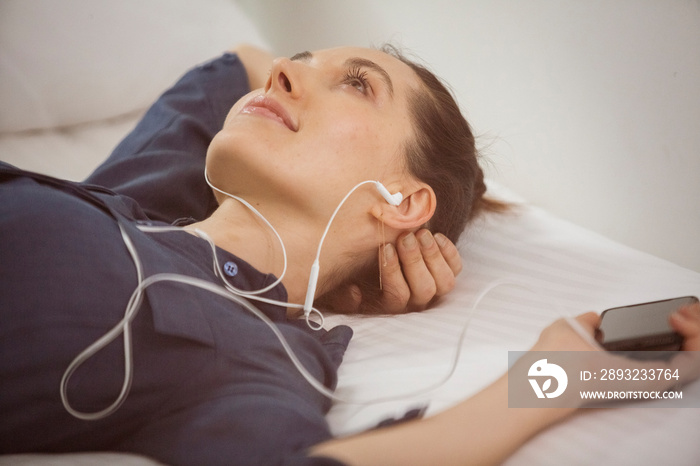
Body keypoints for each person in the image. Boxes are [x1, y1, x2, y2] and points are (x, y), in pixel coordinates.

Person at [0, 44, 698, 466]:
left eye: (357, 83)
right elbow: (240, 55)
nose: (279, 73)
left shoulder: (244, 350)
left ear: (402, 202)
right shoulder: (141, 197)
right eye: (300, 63)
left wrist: (563, 375)